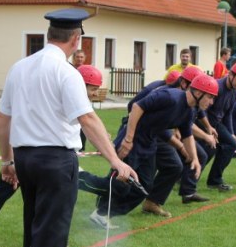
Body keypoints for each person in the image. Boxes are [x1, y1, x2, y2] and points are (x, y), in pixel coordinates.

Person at [0, 8, 136, 247]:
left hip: (25, 158)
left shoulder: (20, 67)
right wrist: (115, 161)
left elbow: (4, 118)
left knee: (34, 229)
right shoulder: (67, 73)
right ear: (76, 39)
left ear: (50, 35)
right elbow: (87, 118)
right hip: (55, 161)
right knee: (50, 234)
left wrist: (7, 161)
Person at [0, 65, 132, 240]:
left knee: (4, 190)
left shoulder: (65, 97)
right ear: (82, 84)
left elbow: (83, 126)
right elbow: (84, 123)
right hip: (50, 160)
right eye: (93, 89)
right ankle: (114, 192)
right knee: (89, 185)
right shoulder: (68, 97)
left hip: (26, 155)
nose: (95, 94)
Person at [90, 73, 216, 227]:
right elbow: (136, 107)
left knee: (143, 188)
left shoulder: (189, 110)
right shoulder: (170, 96)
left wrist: (194, 159)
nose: (211, 102)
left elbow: (187, 134)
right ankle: (90, 194)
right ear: (198, 93)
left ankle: (105, 212)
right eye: (210, 97)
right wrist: (128, 139)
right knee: (121, 181)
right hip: (133, 140)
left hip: (149, 144)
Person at [198, 62, 236, 192]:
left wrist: (231, 132)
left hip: (217, 124)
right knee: (207, 150)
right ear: (231, 74)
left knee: (231, 143)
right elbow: (202, 110)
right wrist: (208, 128)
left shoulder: (234, 93)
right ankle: (188, 178)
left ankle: (215, 180)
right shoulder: (217, 87)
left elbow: (228, 114)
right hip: (203, 122)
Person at [71, 50, 88, 150]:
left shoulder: (86, 71)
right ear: (74, 58)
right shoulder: (70, 68)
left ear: (84, 58)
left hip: (84, 99)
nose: (80, 59)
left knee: (84, 123)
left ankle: (82, 147)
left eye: (81, 57)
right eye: (78, 57)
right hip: (73, 100)